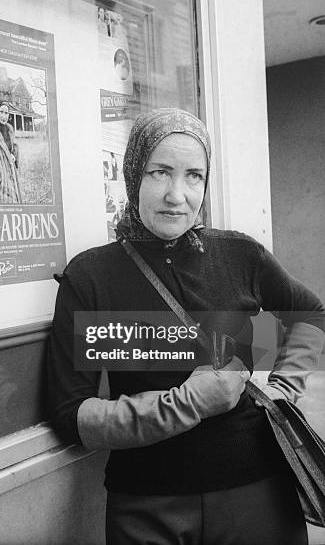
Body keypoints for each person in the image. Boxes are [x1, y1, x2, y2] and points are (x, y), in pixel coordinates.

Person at [47, 108, 325, 544]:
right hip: (147, 505)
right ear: (133, 173)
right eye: (160, 172)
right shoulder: (91, 277)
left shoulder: (240, 255)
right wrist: (190, 402)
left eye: (194, 176)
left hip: (260, 493)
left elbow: (309, 312)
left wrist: (279, 381)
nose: (177, 194)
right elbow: (72, 416)